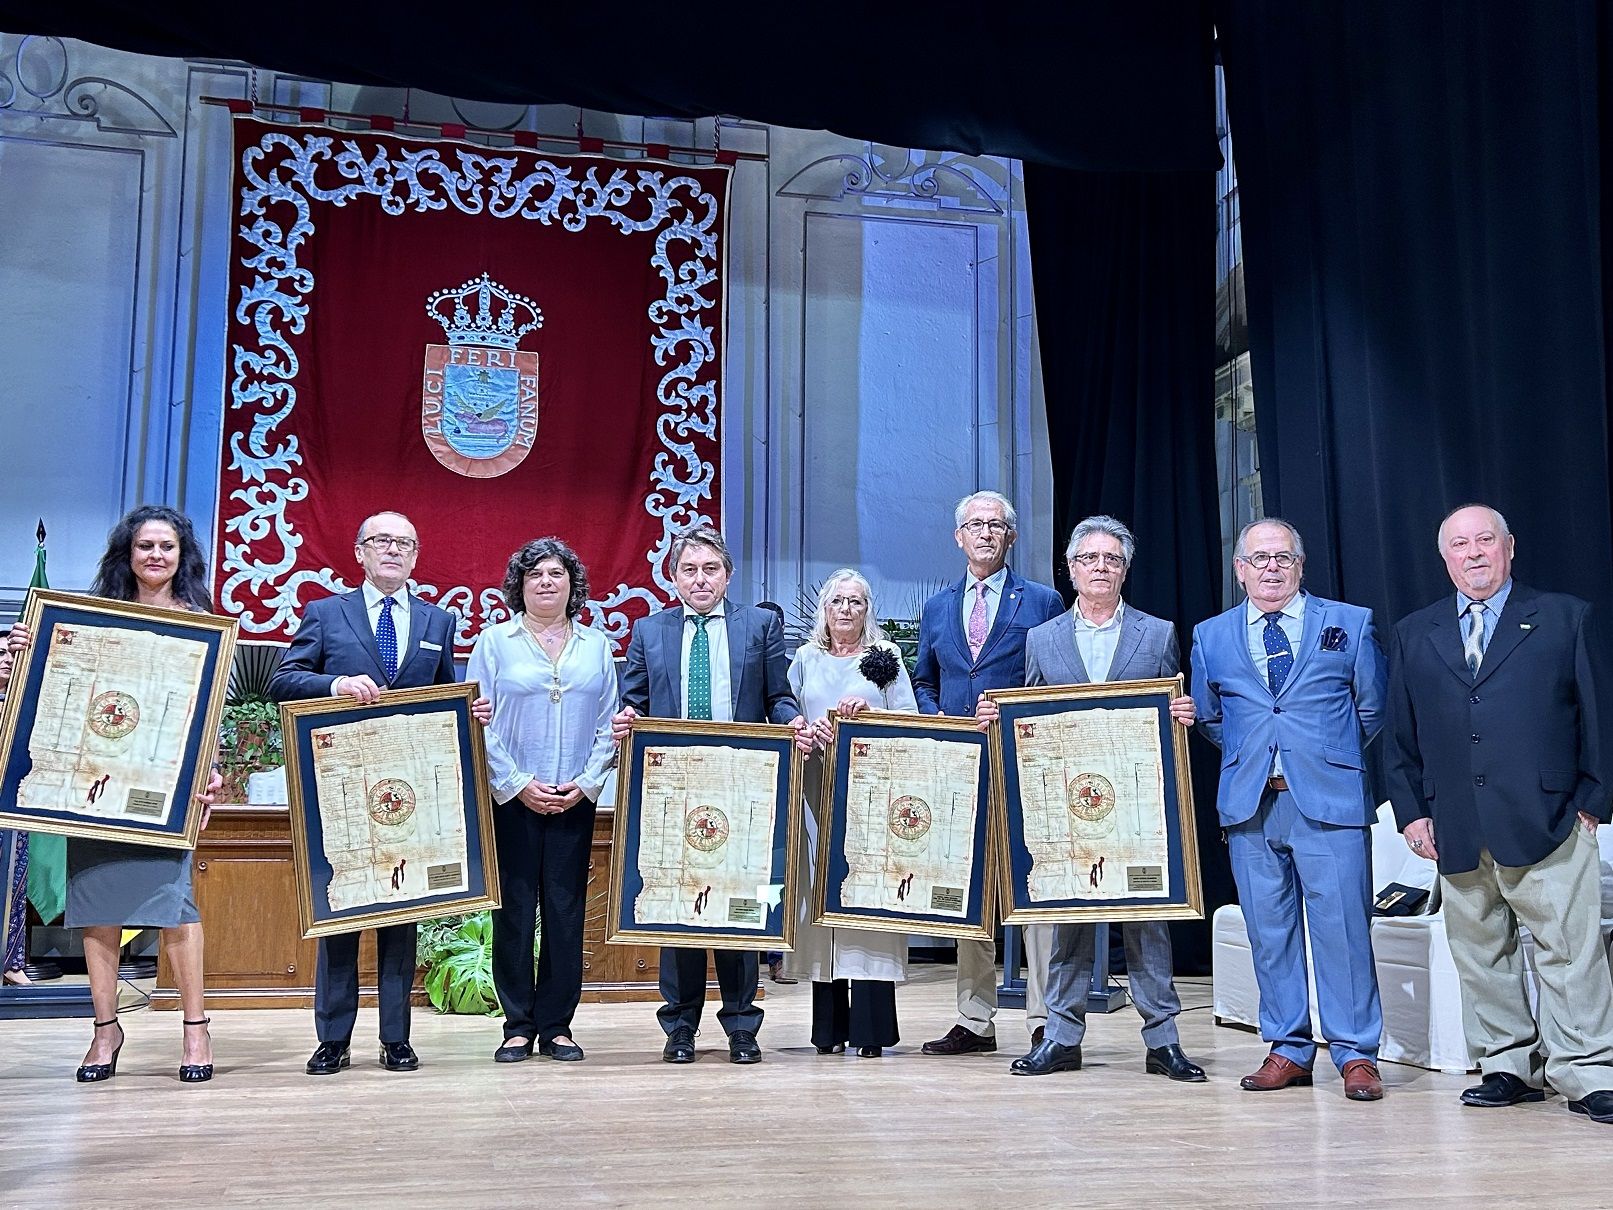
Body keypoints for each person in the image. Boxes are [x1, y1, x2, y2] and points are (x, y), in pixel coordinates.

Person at [1386, 504, 1613, 1124]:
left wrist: (1593, 802)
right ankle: (1508, 1064)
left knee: (1571, 952)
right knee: (1481, 953)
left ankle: (1589, 1071)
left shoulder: (1564, 616)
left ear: (1509, 548)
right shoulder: (1414, 632)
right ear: (1446, 558)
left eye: (1486, 540)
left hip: (1550, 818)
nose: (1474, 552)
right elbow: (1400, 736)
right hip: (1456, 822)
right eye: (1460, 544)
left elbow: (1600, 716)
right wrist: (1411, 812)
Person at [977, 516, 1204, 1082]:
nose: (1100, 567)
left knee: (1148, 919)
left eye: (1111, 559)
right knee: (1067, 917)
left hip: (1137, 805)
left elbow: (1169, 711)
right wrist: (995, 719)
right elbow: (1026, 717)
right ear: (1072, 570)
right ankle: (1060, 1035)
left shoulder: (1157, 634)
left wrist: (1184, 716)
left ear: (1125, 568)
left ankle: (1163, 1041)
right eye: (1089, 559)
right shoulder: (1044, 638)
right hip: (1068, 808)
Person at [6, 505, 223, 1081]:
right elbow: (49, 691)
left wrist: (211, 771)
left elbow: (206, 715)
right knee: (96, 907)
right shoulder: (89, 618)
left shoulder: (199, 624)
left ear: (183, 557)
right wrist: (25, 651)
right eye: (145, 545)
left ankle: (195, 1031)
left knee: (175, 908)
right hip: (92, 789)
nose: (156, 555)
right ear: (128, 554)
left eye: (167, 547)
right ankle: (105, 1030)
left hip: (163, 791)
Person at [1190, 518, 1387, 1101]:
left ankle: (1356, 1054)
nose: (1271, 568)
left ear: (1300, 565)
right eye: (1259, 559)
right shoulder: (1212, 635)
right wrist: (1259, 758)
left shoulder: (1349, 624)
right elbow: (1209, 717)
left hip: (1329, 803)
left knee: (1344, 931)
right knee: (1268, 933)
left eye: (1282, 558)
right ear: (1240, 569)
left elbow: (1369, 712)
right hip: (1251, 806)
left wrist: (1319, 758)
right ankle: (1288, 1049)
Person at [269, 510, 470, 1076]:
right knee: (342, 913)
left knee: (402, 912)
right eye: (381, 541)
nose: (393, 550)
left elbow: (443, 697)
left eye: (404, 543)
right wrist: (335, 684)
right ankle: (333, 1037)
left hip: (408, 793)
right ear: (359, 552)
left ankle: (396, 1037)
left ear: (415, 556)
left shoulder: (439, 621)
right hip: (344, 792)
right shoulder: (325, 614)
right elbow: (283, 679)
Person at [610, 526, 813, 1065]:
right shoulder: (649, 631)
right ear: (673, 577)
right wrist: (626, 721)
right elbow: (634, 704)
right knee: (678, 911)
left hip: (742, 787)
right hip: (672, 793)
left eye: (710, 570)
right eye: (689, 570)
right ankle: (680, 1028)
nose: (700, 580)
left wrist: (793, 724)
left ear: (727, 574)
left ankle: (742, 1027)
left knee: (740, 912)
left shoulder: (760, 626)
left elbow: (779, 697)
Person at [913, 490, 1063, 1056]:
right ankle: (974, 1020)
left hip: (1024, 766)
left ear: (1011, 536)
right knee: (968, 892)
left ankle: (1046, 1018)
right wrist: (940, 723)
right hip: (959, 767)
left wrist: (1018, 714)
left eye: (995, 525)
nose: (984, 533)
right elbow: (925, 680)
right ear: (958, 537)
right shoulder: (936, 607)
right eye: (974, 525)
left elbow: (1056, 678)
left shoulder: (1043, 601)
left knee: (1035, 890)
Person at [466, 538, 617, 1064]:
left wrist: (587, 781)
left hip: (575, 797)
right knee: (513, 912)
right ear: (520, 585)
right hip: (512, 800)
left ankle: (556, 1025)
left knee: (564, 911)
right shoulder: (494, 642)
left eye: (557, 574)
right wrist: (516, 782)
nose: (546, 582)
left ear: (573, 584)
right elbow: (476, 723)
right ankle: (516, 1024)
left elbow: (609, 725)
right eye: (535, 575)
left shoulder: (597, 646)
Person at [788, 569, 918, 1058]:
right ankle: (828, 1029)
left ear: (869, 611)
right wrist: (806, 731)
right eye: (838, 601)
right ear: (825, 608)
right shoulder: (805, 660)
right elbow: (785, 716)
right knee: (822, 898)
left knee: (867, 900)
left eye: (857, 602)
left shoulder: (884, 659)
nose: (846, 609)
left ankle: (871, 1029)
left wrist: (869, 711)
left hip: (871, 797)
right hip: (817, 791)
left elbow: (909, 720)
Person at [1, 652, 30, 987]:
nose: (6, 661)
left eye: (11, 654)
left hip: (13, 806)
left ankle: (11, 962)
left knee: (13, 882)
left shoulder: (25, 702)